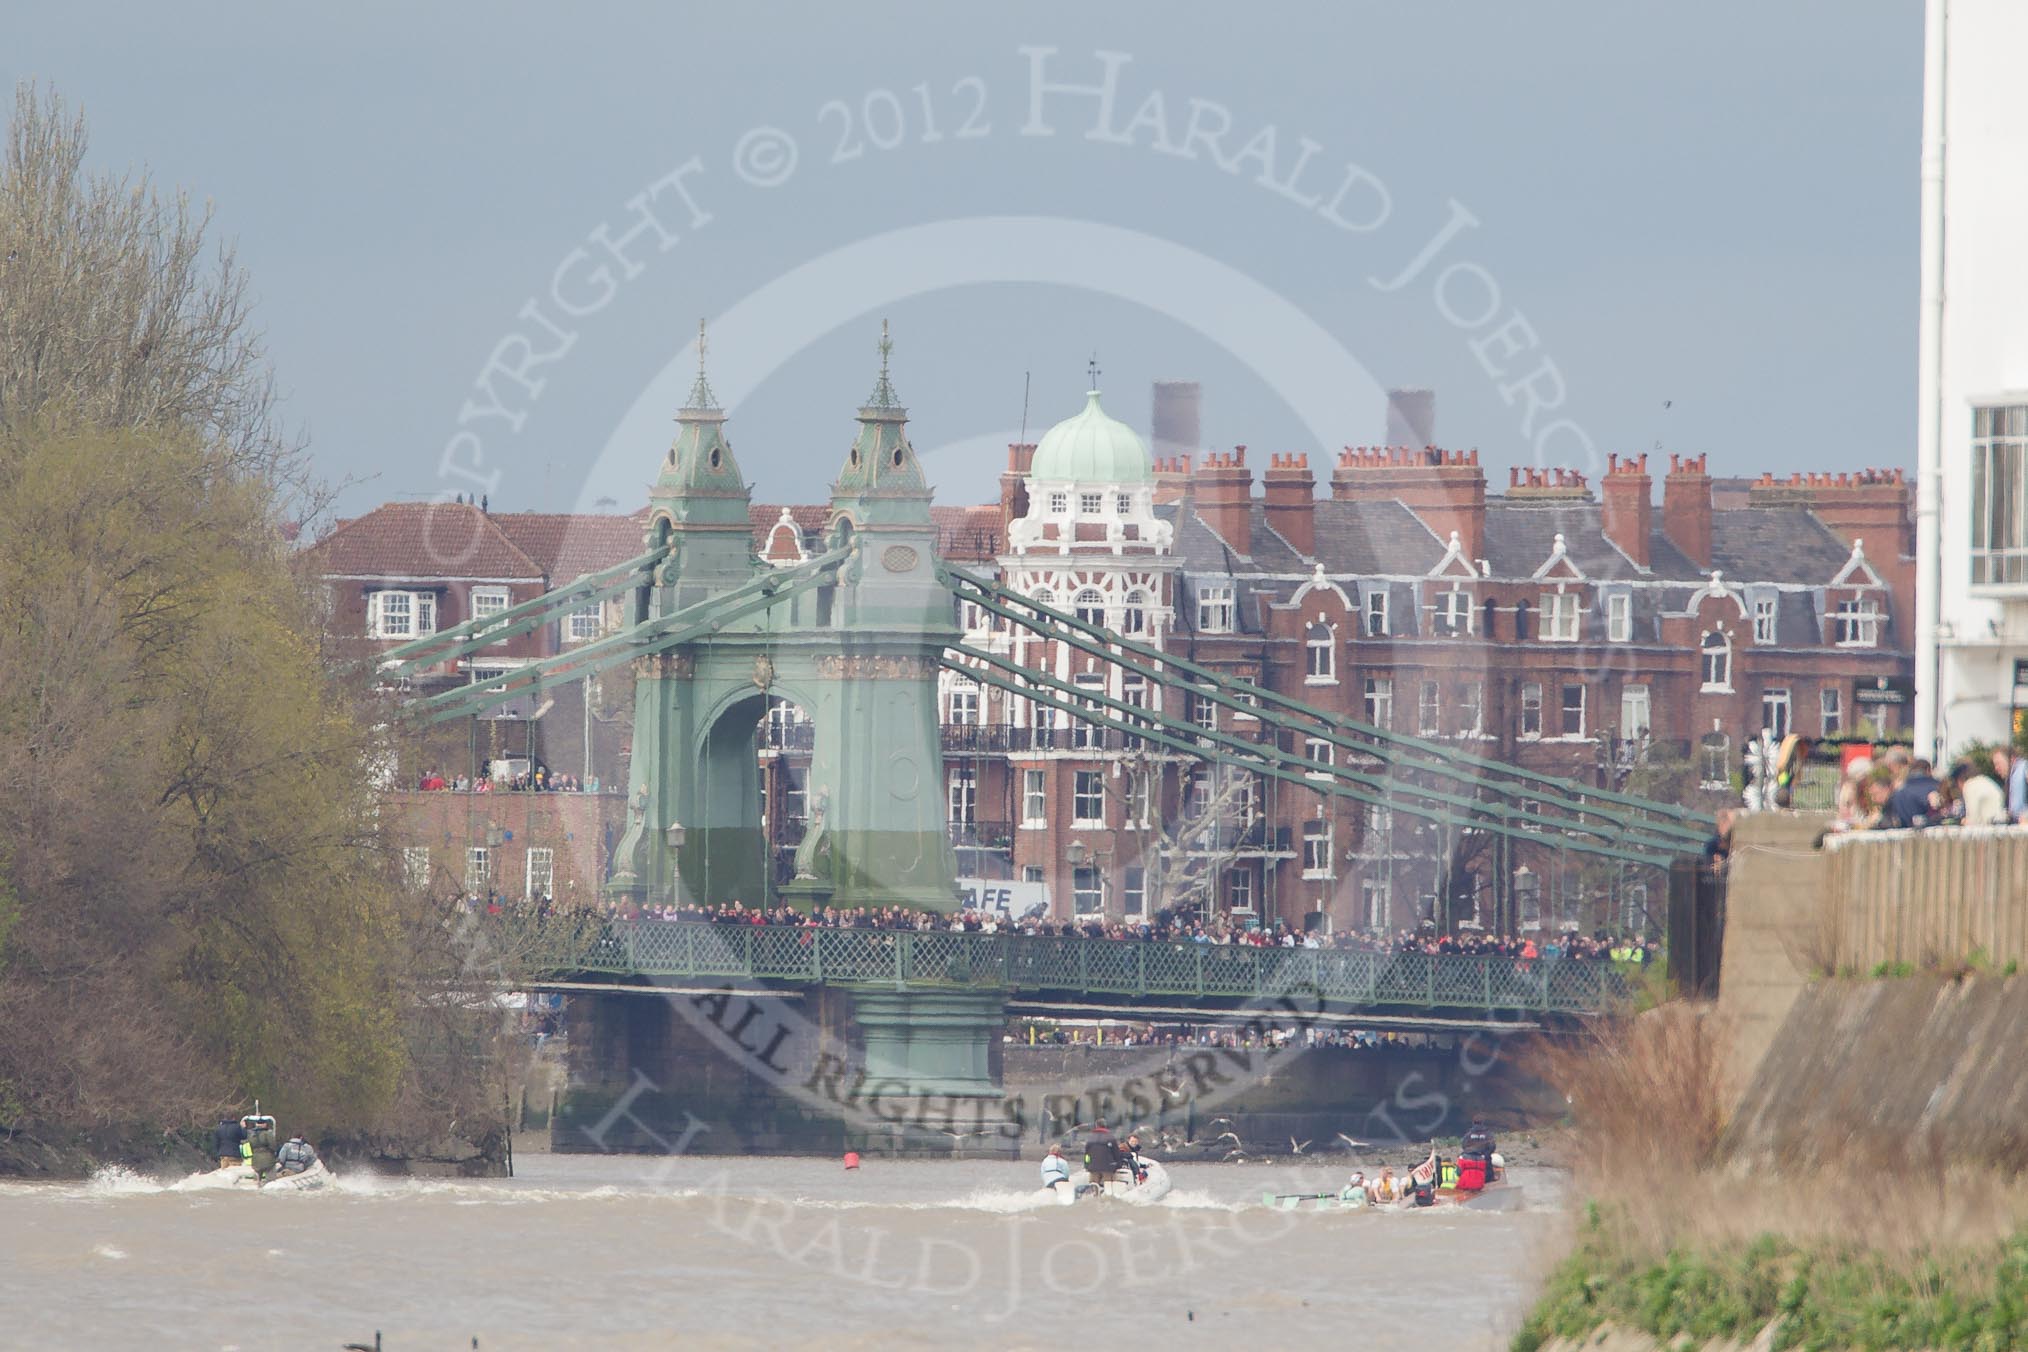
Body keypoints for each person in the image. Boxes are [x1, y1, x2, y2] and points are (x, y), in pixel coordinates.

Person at [1083, 1122, 1118, 1190]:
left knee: (1093, 1187)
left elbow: (1087, 1154)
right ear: (1105, 1126)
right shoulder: (1111, 1137)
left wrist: (1087, 1165)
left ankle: (1094, 1197)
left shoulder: (1090, 1137)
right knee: (1108, 1187)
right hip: (1108, 1167)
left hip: (1093, 1167)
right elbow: (1116, 1153)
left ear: (1096, 1126)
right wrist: (1117, 1165)